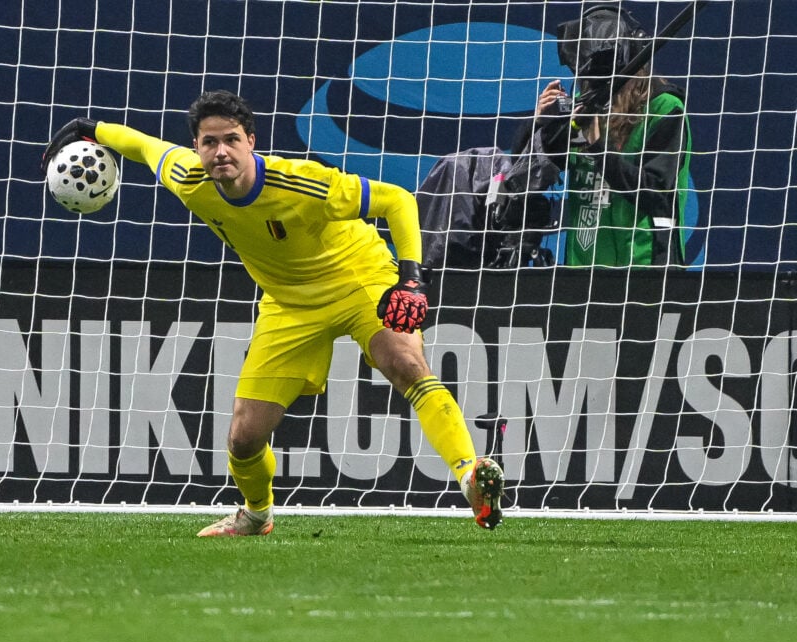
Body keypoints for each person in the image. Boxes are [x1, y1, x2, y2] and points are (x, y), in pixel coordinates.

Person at [41, 90, 505, 535]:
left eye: (231, 140)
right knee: (244, 438)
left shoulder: (300, 181)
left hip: (358, 277)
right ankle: (256, 515)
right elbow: (141, 146)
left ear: (251, 142)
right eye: (209, 142)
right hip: (288, 303)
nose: (220, 151)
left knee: (405, 363)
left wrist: (410, 278)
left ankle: (470, 475)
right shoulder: (188, 178)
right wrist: (88, 128)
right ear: (196, 147)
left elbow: (397, 200)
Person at [517, 4, 692, 267]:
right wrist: (538, 124)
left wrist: (599, 148)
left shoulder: (665, 108)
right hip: (583, 267)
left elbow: (657, 193)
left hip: (643, 265)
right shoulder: (584, 106)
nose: (590, 83)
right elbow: (525, 177)